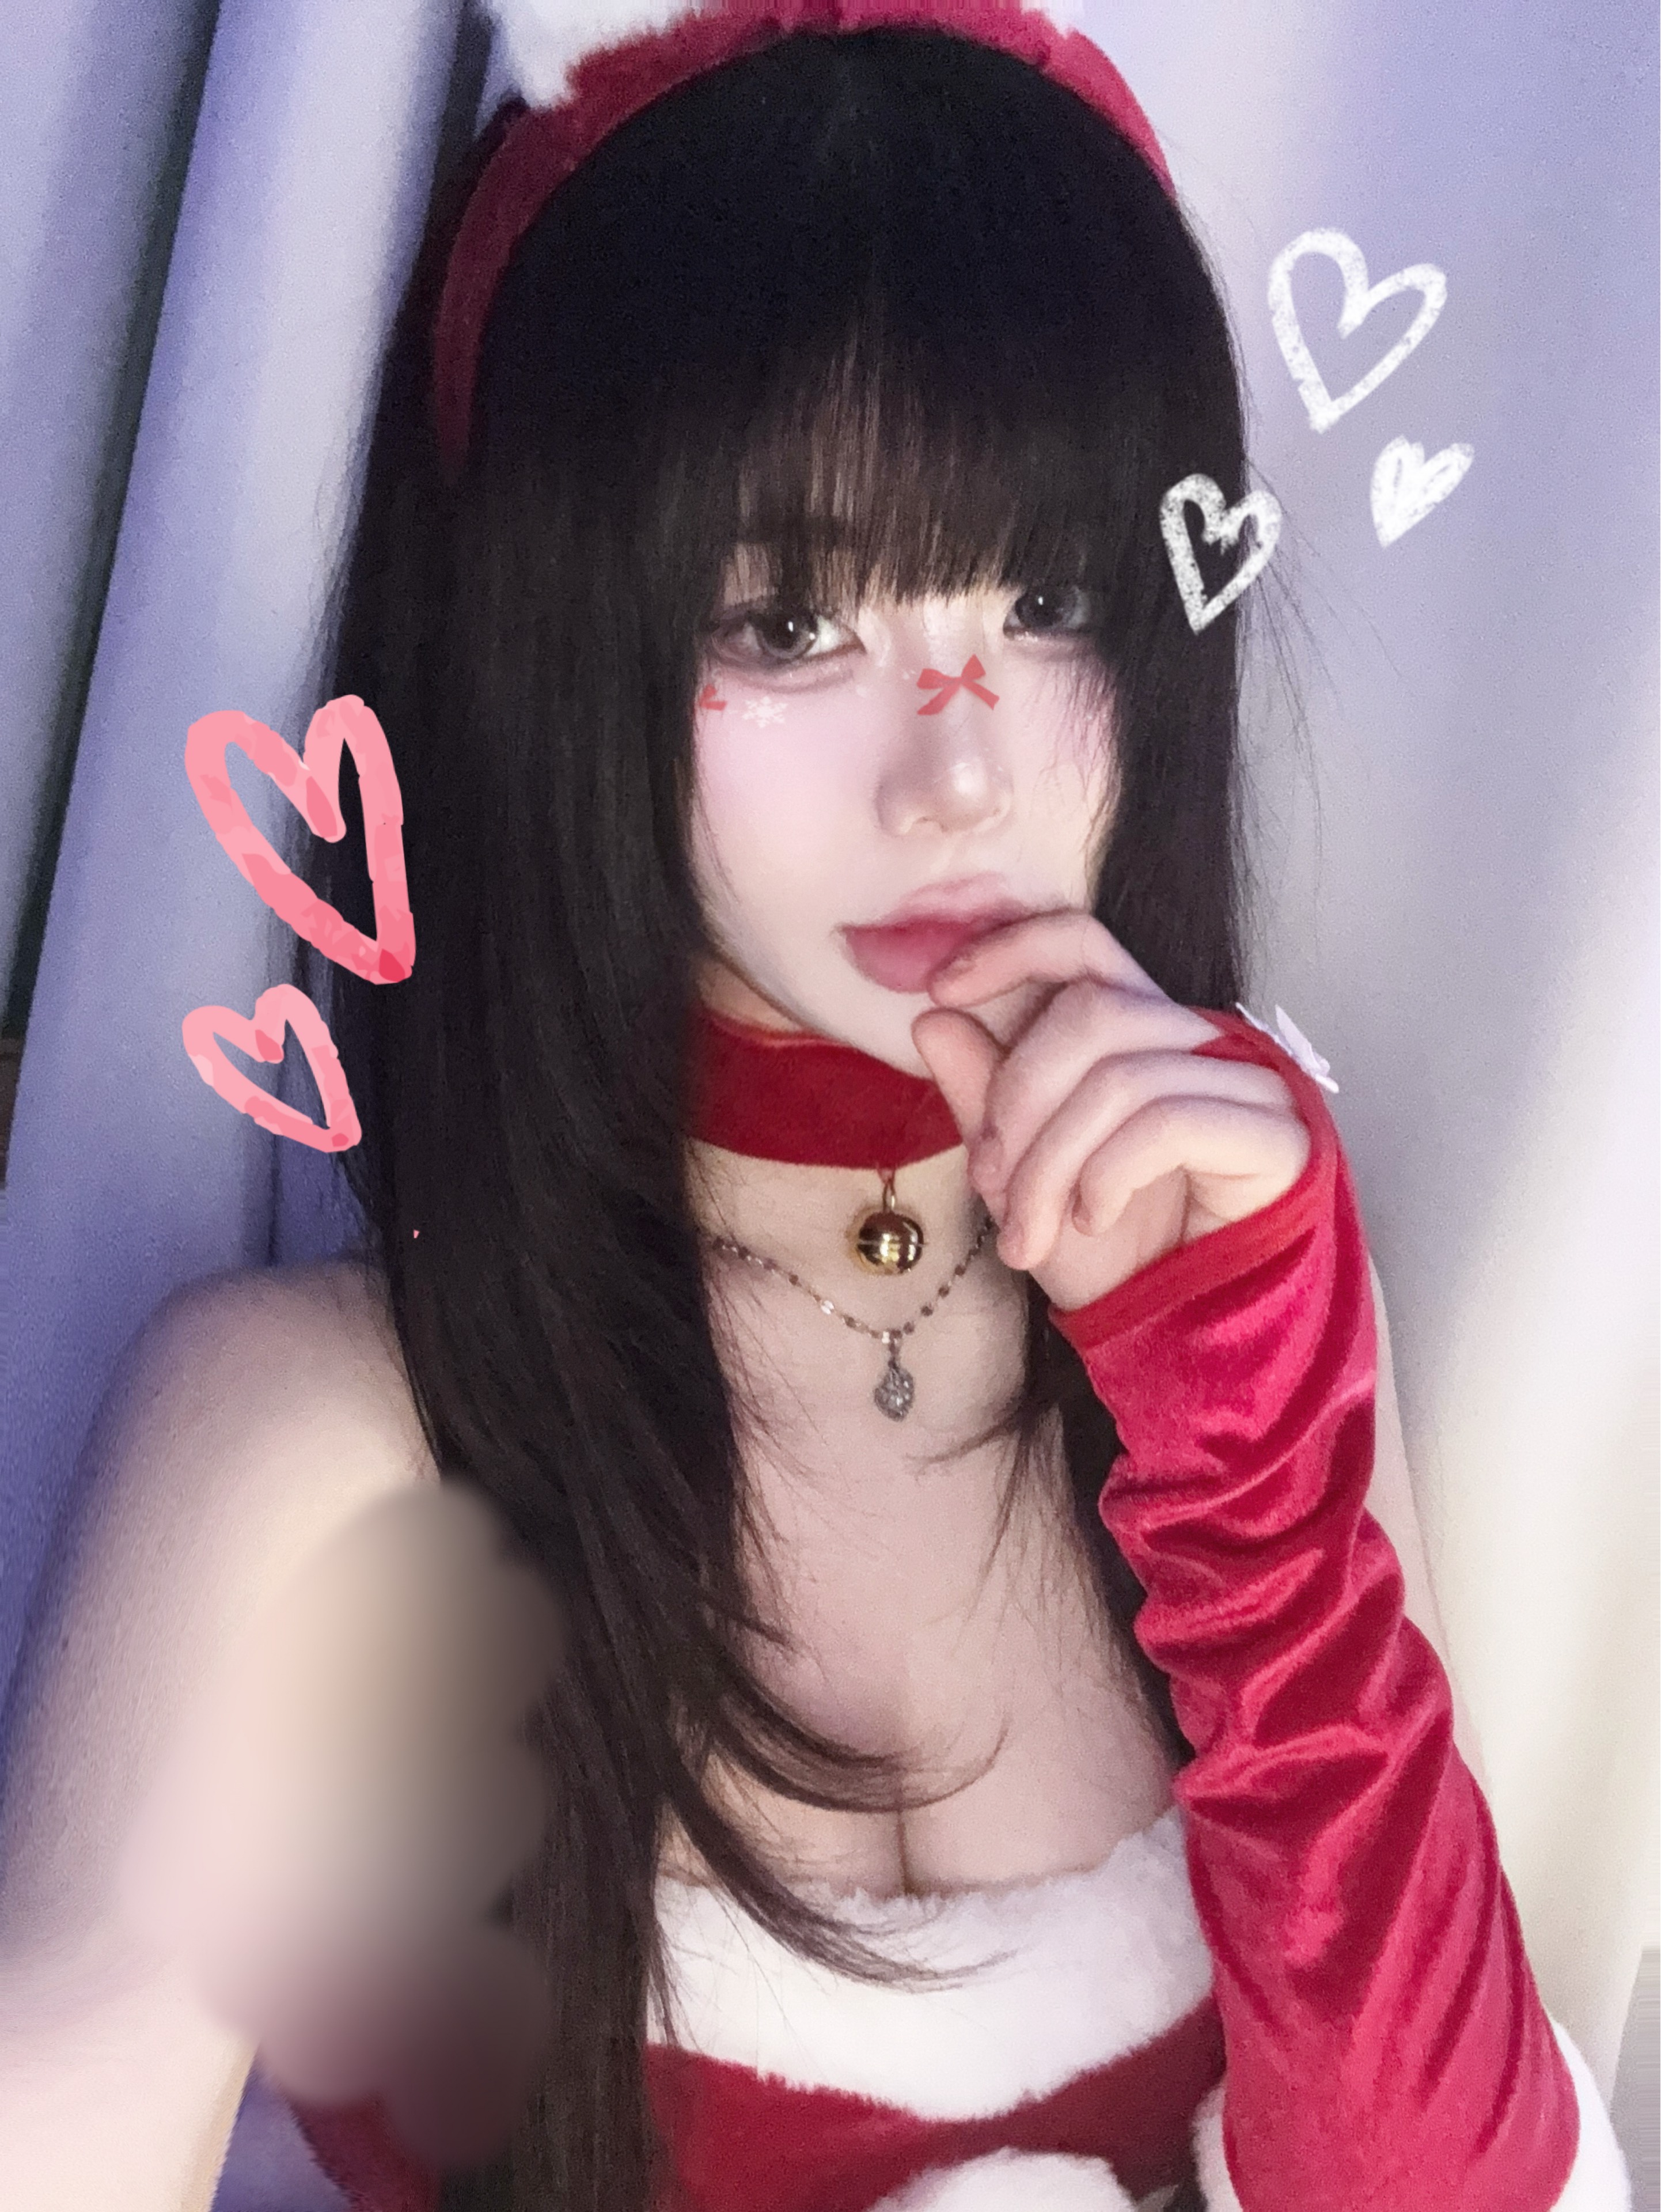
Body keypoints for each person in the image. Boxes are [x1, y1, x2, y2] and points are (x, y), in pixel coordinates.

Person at [0, 4, 1632, 2211]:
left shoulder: (1236, 1300)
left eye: (1047, 598)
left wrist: (1250, 1442)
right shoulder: (325, 1443)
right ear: (562, 650)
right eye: (785, 623)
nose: (956, 773)